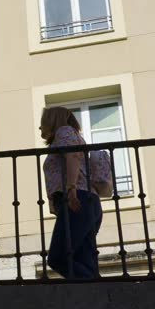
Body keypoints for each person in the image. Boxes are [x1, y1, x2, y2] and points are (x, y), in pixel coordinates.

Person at [40, 106, 103, 279]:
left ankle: (96, 288)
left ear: (53, 120)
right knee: (84, 260)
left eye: (43, 122)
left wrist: (71, 190)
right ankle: (97, 293)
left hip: (78, 198)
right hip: (87, 200)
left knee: (58, 257)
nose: (40, 127)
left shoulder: (64, 131)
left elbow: (72, 156)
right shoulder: (72, 134)